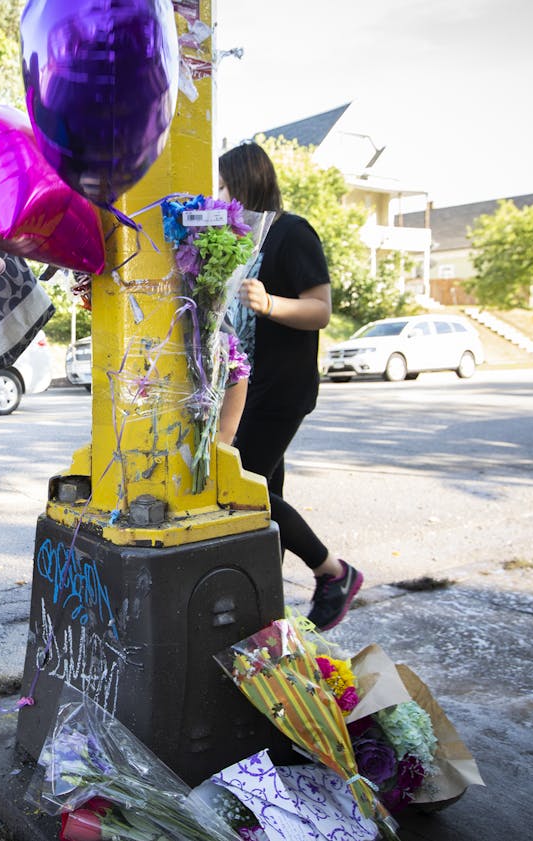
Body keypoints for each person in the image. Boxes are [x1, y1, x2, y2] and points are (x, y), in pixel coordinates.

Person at [216, 142, 365, 632]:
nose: (218, 196)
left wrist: (270, 304)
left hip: (279, 388)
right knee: (263, 498)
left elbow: (320, 309)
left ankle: (333, 572)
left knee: (244, 488)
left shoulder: (292, 232)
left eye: (223, 186)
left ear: (245, 183)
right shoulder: (243, 241)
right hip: (246, 388)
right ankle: (266, 611)